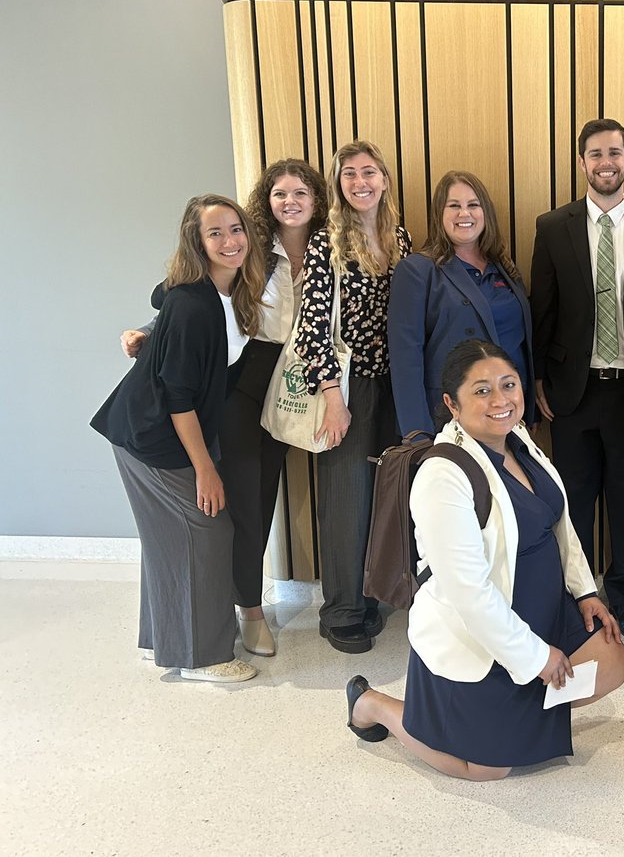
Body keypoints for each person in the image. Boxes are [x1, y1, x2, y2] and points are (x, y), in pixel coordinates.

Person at [344, 340, 624, 779]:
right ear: (451, 404)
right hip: (477, 634)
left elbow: (560, 523)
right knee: (485, 770)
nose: (500, 400)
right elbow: (470, 595)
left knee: (612, 661)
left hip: (544, 612)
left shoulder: (519, 441)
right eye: (481, 391)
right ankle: (375, 705)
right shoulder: (443, 474)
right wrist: (537, 658)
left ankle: (519, 713)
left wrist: (586, 591)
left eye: (508, 385)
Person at [120, 159, 329, 657]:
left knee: (266, 494)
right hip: (239, 384)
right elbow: (182, 296)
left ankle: (242, 601)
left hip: (292, 385)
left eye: (301, 192)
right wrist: (146, 333)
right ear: (268, 201)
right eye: (280, 193)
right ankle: (251, 611)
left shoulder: (330, 251)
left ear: (316, 200)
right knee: (246, 504)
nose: (291, 202)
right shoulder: (250, 245)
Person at [92, 194, 268, 683]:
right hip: (152, 432)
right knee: (208, 531)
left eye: (236, 229)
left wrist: (149, 336)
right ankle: (203, 658)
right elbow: (178, 398)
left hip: (151, 425)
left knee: (171, 538)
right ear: (198, 242)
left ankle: (164, 640)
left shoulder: (229, 292)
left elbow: (159, 300)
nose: (230, 241)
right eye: (216, 233)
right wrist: (206, 469)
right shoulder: (196, 304)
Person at [530, 118, 624, 641]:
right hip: (572, 391)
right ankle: (580, 600)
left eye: (615, 152)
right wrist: (537, 382)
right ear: (582, 163)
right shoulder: (552, 227)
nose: (606, 162)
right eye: (595, 154)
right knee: (572, 499)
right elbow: (541, 311)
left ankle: (623, 596)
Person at [295, 140, 413, 653]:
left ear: (385, 179)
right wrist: (332, 395)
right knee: (347, 499)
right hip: (347, 387)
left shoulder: (402, 238)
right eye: (349, 175)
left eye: (370, 172)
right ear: (339, 185)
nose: (361, 181)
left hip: (397, 385)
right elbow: (312, 326)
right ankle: (342, 609)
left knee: (390, 498)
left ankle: (375, 599)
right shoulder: (328, 243)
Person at [388, 170, 535, 437]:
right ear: (439, 215)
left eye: (473, 205)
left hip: (506, 412)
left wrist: (529, 406)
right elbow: (404, 361)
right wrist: (417, 435)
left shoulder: (504, 267)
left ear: (485, 213)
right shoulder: (417, 270)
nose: (464, 214)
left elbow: (521, 344)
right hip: (448, 418)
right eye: (453, 206)